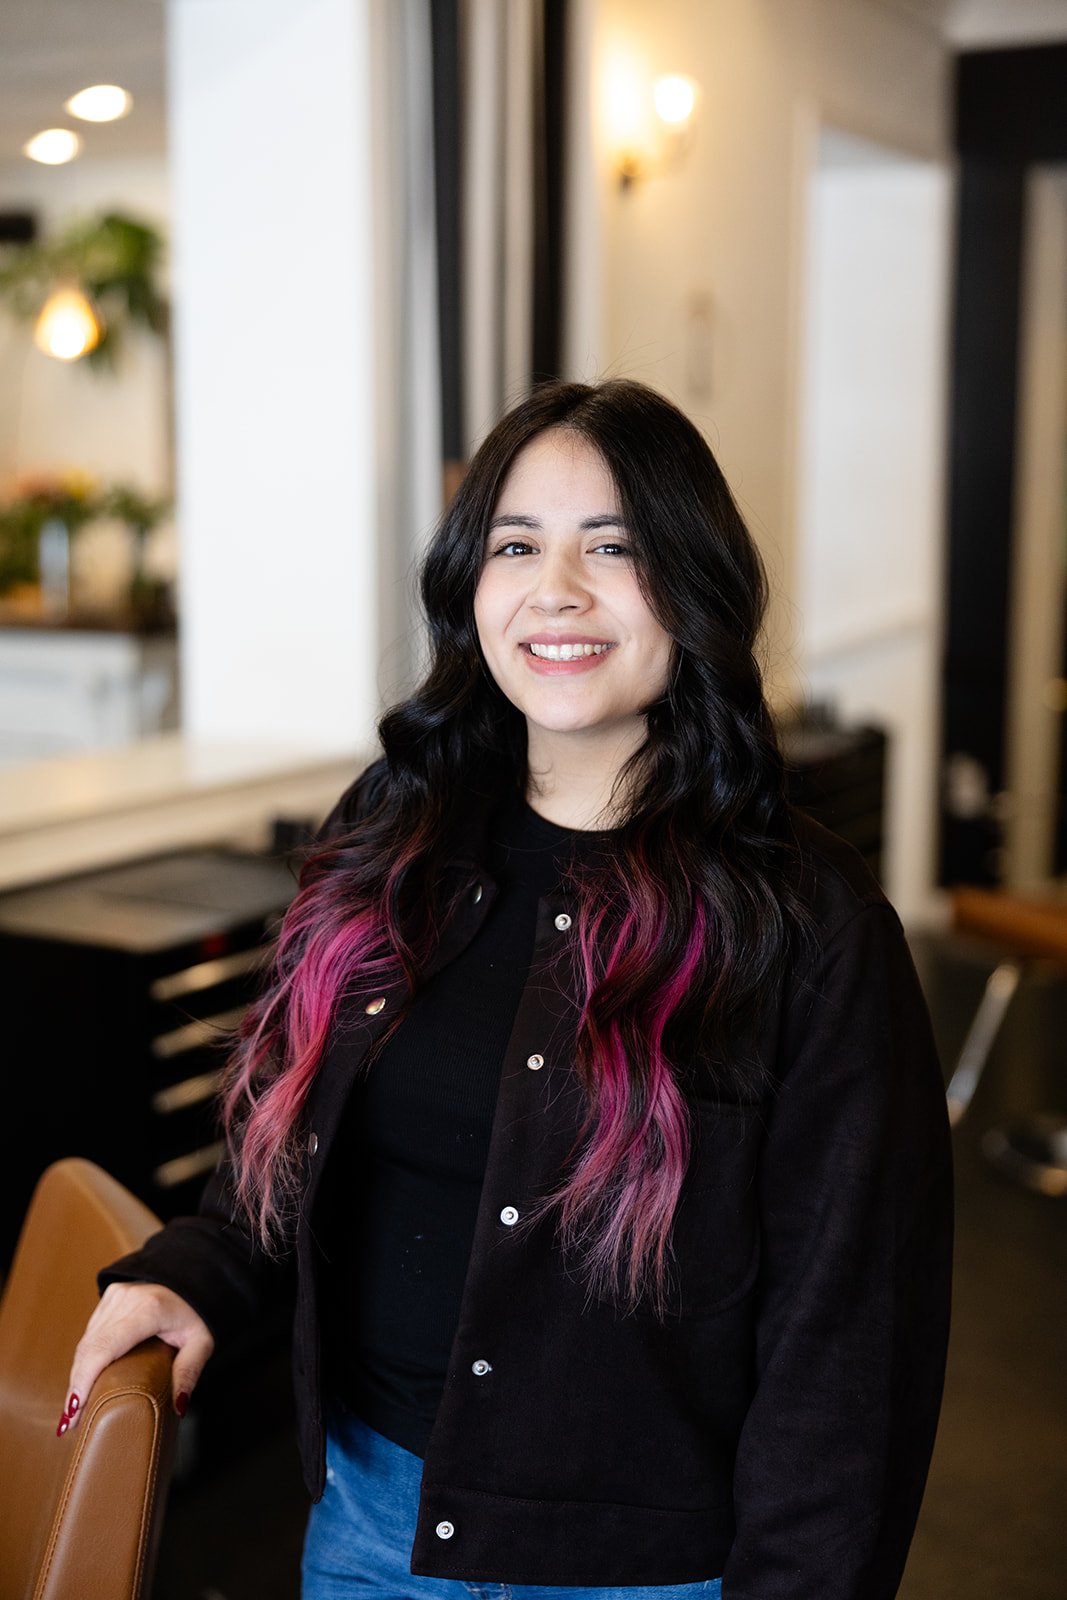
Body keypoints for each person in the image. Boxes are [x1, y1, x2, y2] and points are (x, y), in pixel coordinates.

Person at [63, 379, 952, 1600]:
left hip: (649, 1575)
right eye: (516, 545)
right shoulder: (390, 837)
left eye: (615, 548)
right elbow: (281, 1133)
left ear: (691, 587)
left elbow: (852, 1347)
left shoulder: (805, 920)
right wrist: (198, 1265)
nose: (558, 592)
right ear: (467, 585)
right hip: (372, 1531)